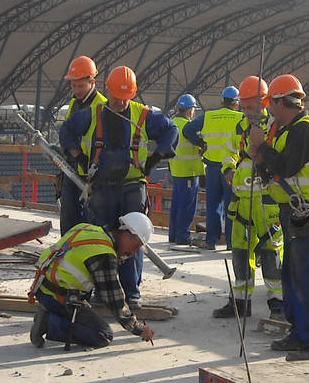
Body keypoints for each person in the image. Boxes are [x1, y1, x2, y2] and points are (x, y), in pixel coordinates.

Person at [59, 65, 176, 308]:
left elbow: (170, 130)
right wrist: (78, 155)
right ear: (108, 91)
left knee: (133, 241)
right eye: (115, 98)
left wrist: (158, 156)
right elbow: (67, 130)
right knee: (99, 239)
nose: (120, 103)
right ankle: (103, 291)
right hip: (101, 188)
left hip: (132, 186)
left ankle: (131, 293)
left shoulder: (143, 115)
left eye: (125, 99)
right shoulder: (93, 114)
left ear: (132, 95)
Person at [248, 74, 309, 360]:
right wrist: (260, 157)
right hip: (292, 211)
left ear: (283, 102)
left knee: (307, 275)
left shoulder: (304, 130)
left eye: (272, 103)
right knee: (293, 276)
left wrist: (263, 148)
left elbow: (287, 166)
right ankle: (300, 333)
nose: (269, 110)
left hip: (305, 212)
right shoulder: (286, 131)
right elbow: (273, 172)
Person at [28, 213, 156, 348]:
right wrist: (139, 328)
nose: (133, 253)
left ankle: (52, 314)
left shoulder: (87, 229)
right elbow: (114, 300)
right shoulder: (103, 254)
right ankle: (48, 322)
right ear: (127, 235)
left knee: (89, 288)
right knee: (103, 335)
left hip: (42, 287)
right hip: (57, 297)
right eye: (135, 246)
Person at [215, 76, 284, 321]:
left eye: (251, 106)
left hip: (268, 203)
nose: (247, 111)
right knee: (241, 254)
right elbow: (228, 153)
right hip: (242, 201)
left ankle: (277, 302)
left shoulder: (275, 127)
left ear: (264, 102)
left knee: (271, 253)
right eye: (243, 106)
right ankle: (241, 302)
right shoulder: (239, 128)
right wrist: (228, 170)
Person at [183, 85, 243, 250]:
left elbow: (187, 130)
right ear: (236, 103)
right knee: (232, 206)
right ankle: (231, 243)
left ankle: (211, 241)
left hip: (211, 166)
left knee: (213, 205)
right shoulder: (240, 117)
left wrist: (201, 143)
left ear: (222, 101)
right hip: (230, 168)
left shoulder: (209, 116)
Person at [58, 55, 106, 233]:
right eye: (73, 85)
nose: (76, 90)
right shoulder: (74, 104)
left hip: (91, 172)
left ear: (92, 82)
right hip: (72, 168)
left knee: (90, 219)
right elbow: (67, 133)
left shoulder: (101, 106)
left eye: (80, 85)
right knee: (68, 217)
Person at [167, 94, 203, 245]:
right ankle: (183, 235)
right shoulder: (188, 127)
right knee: (187, 205)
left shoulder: (172, 123)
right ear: (189, 111)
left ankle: (174, 234)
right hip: (188, 171)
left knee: (176, 204)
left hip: (176, 170)